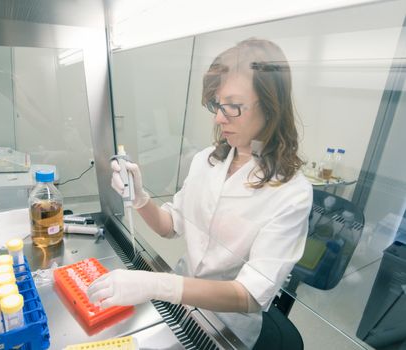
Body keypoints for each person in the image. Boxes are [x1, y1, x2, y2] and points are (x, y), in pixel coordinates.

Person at [87, 38, 312, 347]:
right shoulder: (207, 160)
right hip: (176, 307)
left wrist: (158, 284)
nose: (218, 118)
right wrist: (141, 198)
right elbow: (170, 226)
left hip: (225, 328)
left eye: (233, 106)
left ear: (271, 107)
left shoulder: (292, 192)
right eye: (217, 105)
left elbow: (249, 295)